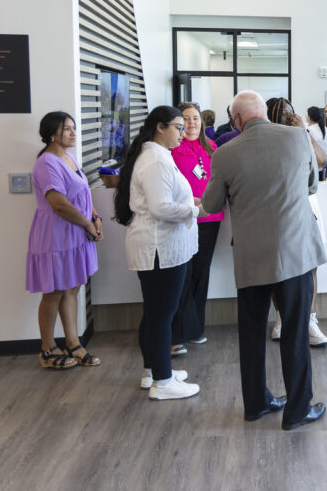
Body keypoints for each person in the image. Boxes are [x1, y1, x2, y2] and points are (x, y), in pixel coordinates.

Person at [202, 91, 327, 430]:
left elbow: (211, 205)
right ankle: (297, 409)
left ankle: (256, 403)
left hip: (250, 256)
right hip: (295, 253)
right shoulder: (298, 138)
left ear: (237, 120)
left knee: (252, 332)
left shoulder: (224, 153)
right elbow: (312, 187)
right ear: (265, 113)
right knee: (295, 331)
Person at [113, 105, 201, 400]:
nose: (183, 130)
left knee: (155, 313)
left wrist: (189, 200)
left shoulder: (156, 156)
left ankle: (153, 369)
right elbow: (160, 208)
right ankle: (163, 382)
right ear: (160, 128)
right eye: (178, 126)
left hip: (159, 246)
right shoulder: (156, 160)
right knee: (162, 315)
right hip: (159, 248)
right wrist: (194, 209)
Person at [27, 111, 102, 370]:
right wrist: (88, 224)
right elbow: (58, 202)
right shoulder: (47, 162)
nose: (73, 133)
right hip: (57, 233)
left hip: (77, 232)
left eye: (73, 128)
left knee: (72, 287)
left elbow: (82, 193)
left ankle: (72, 342)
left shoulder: (68, 158)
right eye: (66, 128)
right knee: (54, 291)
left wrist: (95, 217)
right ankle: (47, 348)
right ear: (51, 133)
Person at [267, 97, 327, 347]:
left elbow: (322, 161)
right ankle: (281, 317)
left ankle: (310, 320)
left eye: (290, 111)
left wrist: (302, 131)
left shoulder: (300, 134)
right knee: (277, 266)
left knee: (311, 264)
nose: (286, 115)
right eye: (281, 112)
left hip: (307, 205)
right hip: (277, 208)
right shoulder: (267, 138)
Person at [169, 102, 223, 356]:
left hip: (211, 218)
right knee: (184, 276)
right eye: (186, 119)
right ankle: (177, 332)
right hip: (184, 219)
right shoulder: (171, 149)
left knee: (202, 273)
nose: (191, 124)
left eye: (195, 119)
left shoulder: (211, 147)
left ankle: (196, 328)